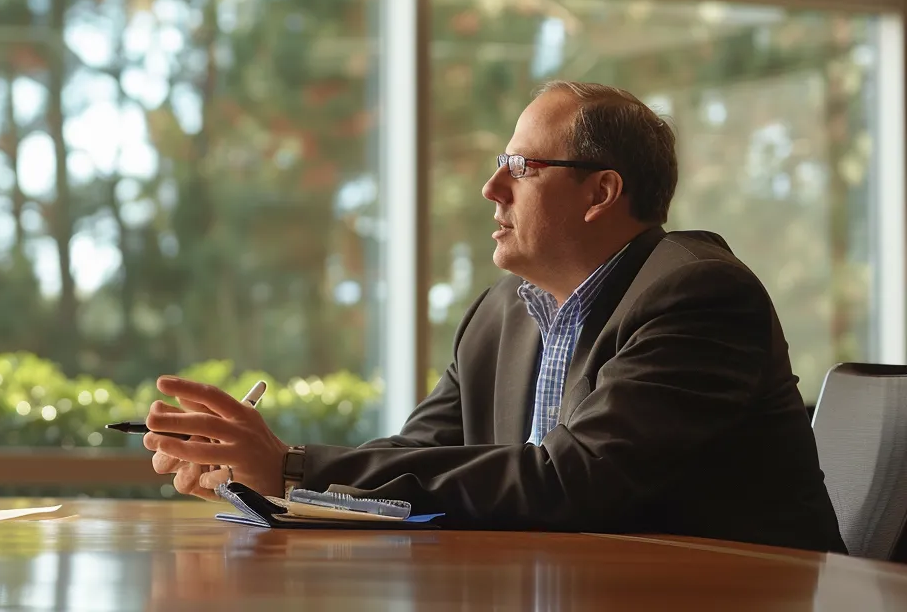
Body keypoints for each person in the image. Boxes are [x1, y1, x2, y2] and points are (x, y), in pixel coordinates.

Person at [143, 81, 846, 553]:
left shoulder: (699, 296)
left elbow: (574, 482)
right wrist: (259, 476)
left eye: (521, 167)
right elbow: (418, 454)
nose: (490, 188)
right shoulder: (499, 313)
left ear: (601, 192)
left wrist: (292, 468)